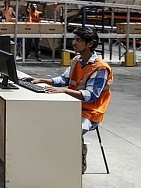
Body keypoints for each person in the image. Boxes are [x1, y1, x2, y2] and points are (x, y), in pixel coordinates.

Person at [22, 26, 112, 173]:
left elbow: (91, 95)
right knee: (42, 121)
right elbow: (63, 79)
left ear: (90, 44)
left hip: (90, 113)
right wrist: (40, 80)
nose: (74, 43)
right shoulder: (77, 60)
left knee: (71, 130)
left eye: (79, 40)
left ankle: (77, 157)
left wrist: (63, 90)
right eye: (74, 40)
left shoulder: (100, 68)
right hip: (71, 107)